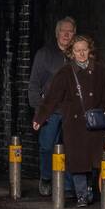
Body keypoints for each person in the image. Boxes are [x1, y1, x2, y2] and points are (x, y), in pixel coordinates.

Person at [33, 34, 105, 208]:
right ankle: (82, 195)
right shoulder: (65, 72)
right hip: (75, 125)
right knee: (77, 161)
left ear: (89, 50)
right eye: (77, 51)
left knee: (94, 161)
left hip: (96, 124)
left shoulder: (100, 71)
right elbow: (52, 97)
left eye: (84, 50)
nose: (81, 54)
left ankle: (89, 189)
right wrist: (40, 117)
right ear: (72, 53)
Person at [28, 16, 76, 196]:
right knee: (47, 146)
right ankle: (47, 177)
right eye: (63, 30)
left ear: (74, 34)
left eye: (70, 31)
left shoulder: (77, 55)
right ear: (57, 33)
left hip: (71, 111)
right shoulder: (44, 54)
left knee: (71, 148)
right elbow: (33, 84)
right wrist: (39, 109)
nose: (66, 34)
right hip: (51, 111)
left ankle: (69, 186)